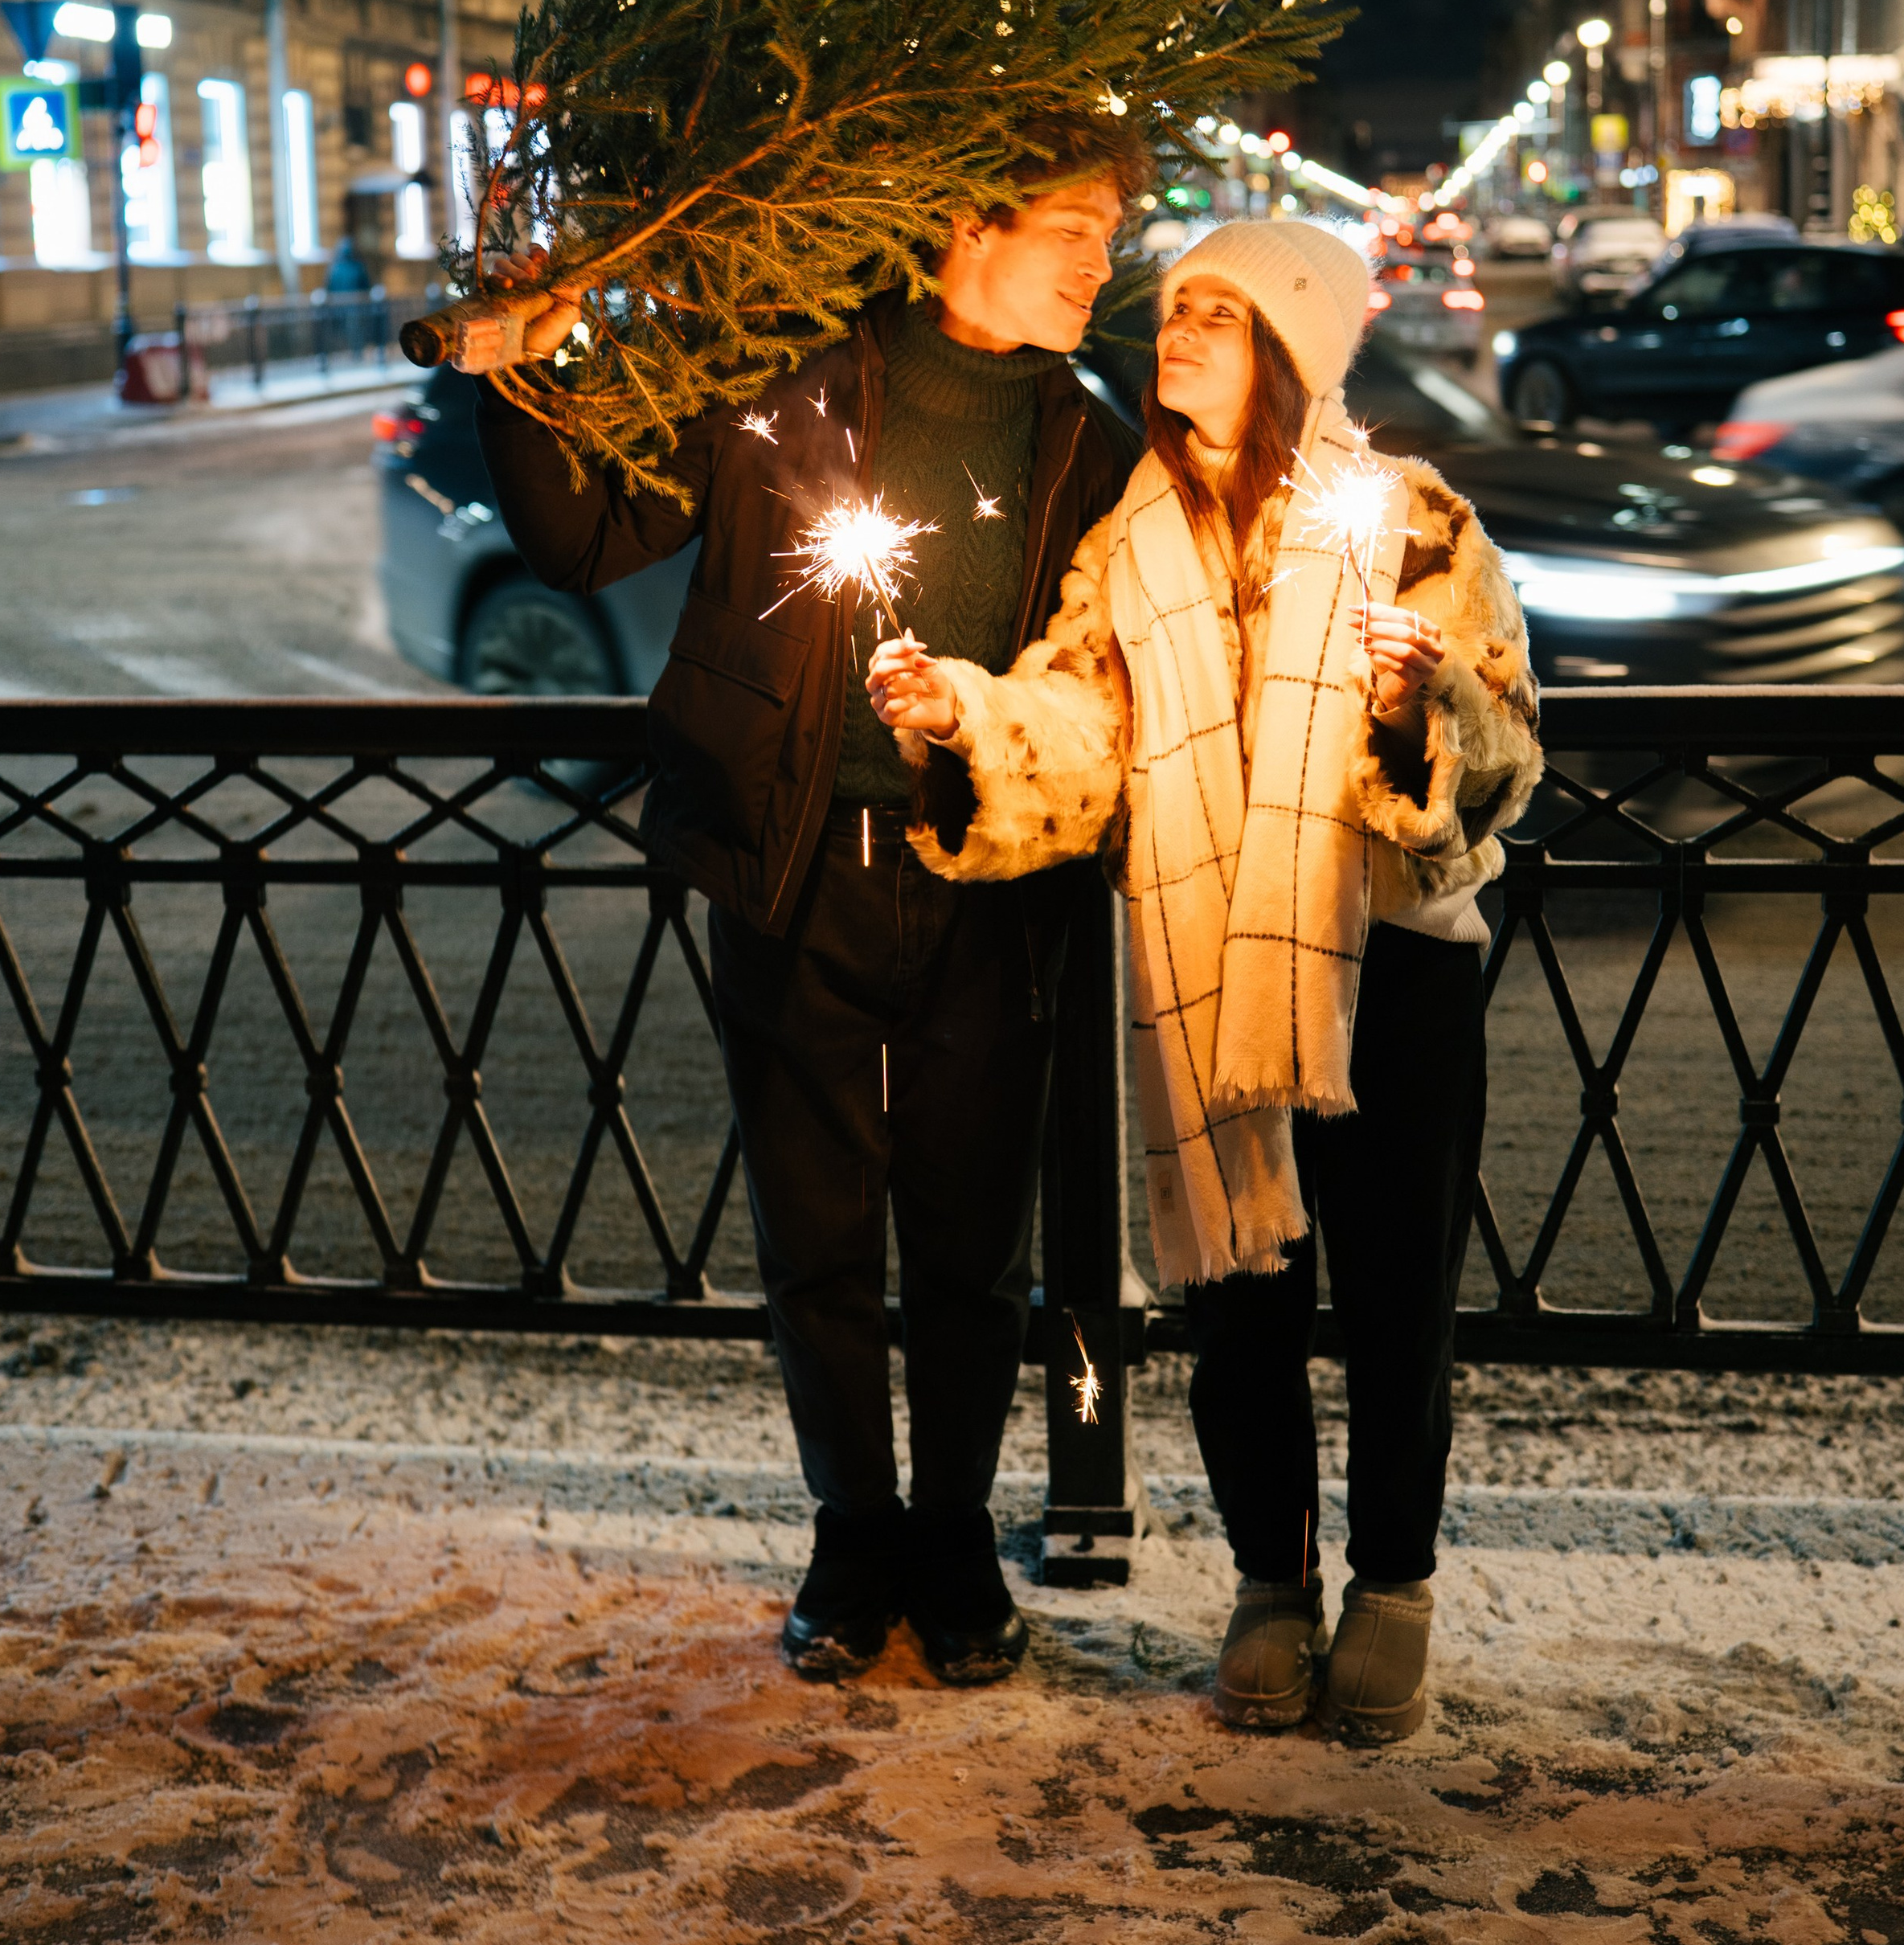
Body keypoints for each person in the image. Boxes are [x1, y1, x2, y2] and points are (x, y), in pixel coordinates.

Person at [477, 121, 1141, 1685]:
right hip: (792, 872)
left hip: (988, 884)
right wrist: (515, 371)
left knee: (973, 1247)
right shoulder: (794, 389)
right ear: (967, 227)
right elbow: (579, 536)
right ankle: (853, 1535)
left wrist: (975, 731)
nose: (1099, 264)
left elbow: (1114, 688)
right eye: (1072, 229)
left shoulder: (1092, 449)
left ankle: (959, 1535)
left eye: (1109, 236)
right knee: (817, 1239)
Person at [869, 219, 1542, 1745]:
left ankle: (1392, 1590)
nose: (1179, 341)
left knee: (1391, 1303)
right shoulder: (1136, 541)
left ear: (1292, 355)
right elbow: (1081, 729)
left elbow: (1503, 750)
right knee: (1241, 1300)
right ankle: (1268, 1586)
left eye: (1221, 319)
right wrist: (967, 714)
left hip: (1390, 977)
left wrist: (1415, 705)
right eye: (1177, 316)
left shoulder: (1411, 527)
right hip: (1203, 967)